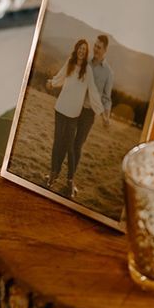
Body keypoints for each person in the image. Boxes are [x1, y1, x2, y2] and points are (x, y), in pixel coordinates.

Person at [44, 39, 103, 196]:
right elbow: (60, 77)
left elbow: (93, 91)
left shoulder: (87, 70)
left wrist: (100, 110)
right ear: (76, 49)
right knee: (57, 143)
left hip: (73, 114)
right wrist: (52, 83)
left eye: (85, 49)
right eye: (80, 48)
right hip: (61, 109)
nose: (82, 51)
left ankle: (69, 180)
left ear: (86, 52)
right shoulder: (69, 63)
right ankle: (53, 174)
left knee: (70, 147)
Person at [71, 34, 113, 194]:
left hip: (88, 113)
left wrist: (106, 116)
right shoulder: (84, 62)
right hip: (73, 107)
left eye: (99, 47)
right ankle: (54, 174)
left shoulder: (108, 73)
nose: (96, 49)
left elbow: (106, 98)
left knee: (77, 145)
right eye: (95, 45)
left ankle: (70, 180)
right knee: (66, 141)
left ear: (105, 50)